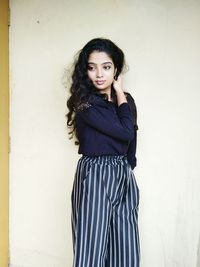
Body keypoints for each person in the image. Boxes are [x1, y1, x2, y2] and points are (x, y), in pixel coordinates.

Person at [66, 37, 140, 267]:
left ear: (116, 70)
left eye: (106, 67)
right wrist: (120, 98)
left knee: (126, 248)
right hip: (96, 174)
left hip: (123, 174)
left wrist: (128, 170)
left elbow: (131, 141)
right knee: (91, 248)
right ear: (84, 71)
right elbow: (125, 132)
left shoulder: (126, 101)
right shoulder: (84, 102)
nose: (99, 74)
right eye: (91, 67)